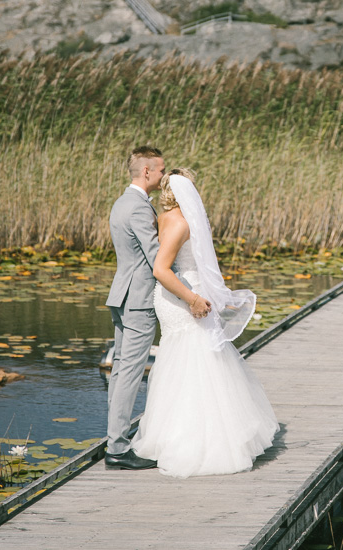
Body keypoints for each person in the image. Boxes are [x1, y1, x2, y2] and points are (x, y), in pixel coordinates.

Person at [131, 169, 278, 478]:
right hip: (182, 296)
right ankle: (197, 442)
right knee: (197, 361)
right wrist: (193, 299)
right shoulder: (182, 222)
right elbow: (161, 268)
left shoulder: (167, 217)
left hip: (185, 293)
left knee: (187, 362)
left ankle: (175, 435)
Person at [104, 147, 210, 470]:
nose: (165, 176)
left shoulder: (123, 203)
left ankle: (114, 438)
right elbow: (157, 262)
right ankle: (118, 448)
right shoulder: (138, 209)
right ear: (147, 172)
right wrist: (191, 295)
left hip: (121, 295)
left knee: (120, 368)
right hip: (138, 301)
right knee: (130, 374)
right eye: (161, 170)